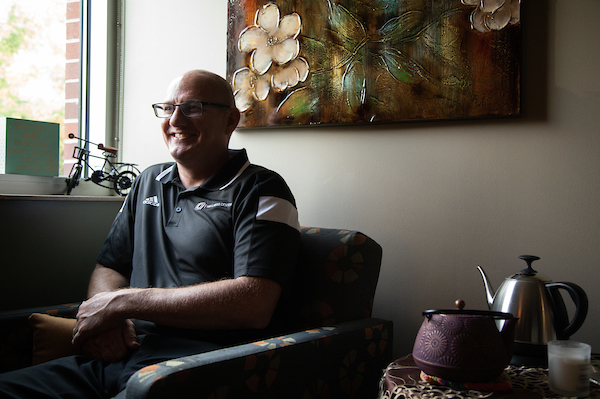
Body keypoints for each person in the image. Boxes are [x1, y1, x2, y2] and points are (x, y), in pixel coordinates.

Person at [0, 70, 300, 398]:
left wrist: (123, 302)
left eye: (193, 107)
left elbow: (254, 302)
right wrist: (109, 319)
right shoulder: (148, 181)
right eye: (168, 108)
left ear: (230, 120)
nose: (176, 119)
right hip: (119, 357)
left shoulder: (262, 188)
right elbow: (110, 267)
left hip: (194, 369)